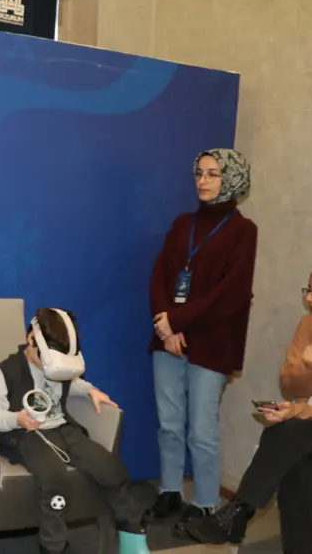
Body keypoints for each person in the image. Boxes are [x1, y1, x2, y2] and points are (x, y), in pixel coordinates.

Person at [0, 307, 157, 554]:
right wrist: (16, 419)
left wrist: (90, 390)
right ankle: (53, 546)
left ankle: (132, 533)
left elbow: (72, 383)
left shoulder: (58, 367)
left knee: (111, 468)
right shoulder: (6, 372)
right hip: (29, 435)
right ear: (31, 339)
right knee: (54, 480)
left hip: (64, 429)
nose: (50, 368)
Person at [146, 149, 258, 537]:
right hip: (168, 338)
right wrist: (166, 326)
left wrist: (177, 321)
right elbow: (160, 275)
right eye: (199, 173)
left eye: (212, 174)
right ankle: (170, 491)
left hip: (212, 342)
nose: (202, 180)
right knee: (169, 423)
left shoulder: (244, 230)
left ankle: (206, 503)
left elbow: (232, 294)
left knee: (201, 429)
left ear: (232, 179)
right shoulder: (183, 224)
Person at [185, 273, 312, 552]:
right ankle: (242, 516)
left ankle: (239, 512)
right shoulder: (308, 324)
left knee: (287, 434)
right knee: (297, 470)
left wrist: (298, 410)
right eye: (309, 289)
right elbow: (289, 384)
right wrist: (306, 368)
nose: (309, 298)